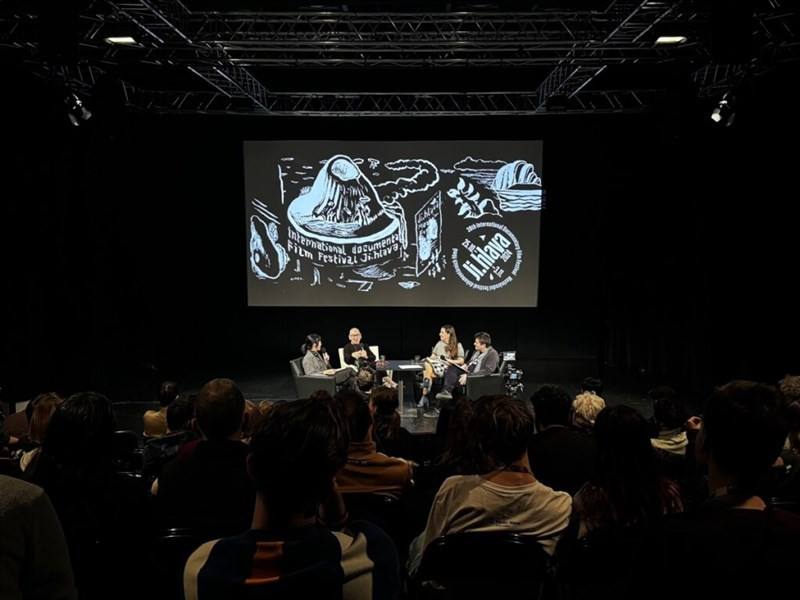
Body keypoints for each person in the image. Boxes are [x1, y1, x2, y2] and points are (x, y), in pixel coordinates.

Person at [183, 397, 400, 600]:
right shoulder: (370, 557)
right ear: (332, 480)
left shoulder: (201, 569)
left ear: (250, 467)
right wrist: (337, 518)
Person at [418, 325, 464, 411]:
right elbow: (433, 355)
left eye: (442, 332)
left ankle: (425, 391)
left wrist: (450, 361)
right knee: (427, 365)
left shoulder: (458, 345)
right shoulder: (439, 344)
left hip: (447, 368)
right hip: (435, 366)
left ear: (449, 334)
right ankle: (426, 386)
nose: (440, 334)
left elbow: (461, 361)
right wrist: (430, 358)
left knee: (427, 369)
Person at [441, 331, 500, 398]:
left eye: (476, 343)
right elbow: (471, 362)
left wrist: (468, 376)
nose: (474, 344)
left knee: (453, 379)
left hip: (476, 377)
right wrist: (465, 365)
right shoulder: (477, 352)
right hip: (468, 372)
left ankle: (447, 395)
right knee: (451, 369)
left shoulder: (492, 354)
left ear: (483, 345)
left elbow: (487, 371)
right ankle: (446, 392)